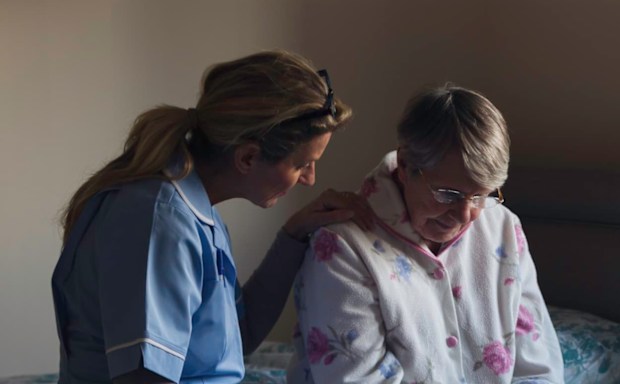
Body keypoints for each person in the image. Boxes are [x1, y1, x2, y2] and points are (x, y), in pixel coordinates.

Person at [51, 50, 373, 384]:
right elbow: (143, 377)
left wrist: (293, 236)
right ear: (248, 157)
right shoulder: (159, 221)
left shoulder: (196, 211)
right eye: (302, 164)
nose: (310, 179)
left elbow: (238, 335)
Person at [287, 84, 564, 383]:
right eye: (448, 194)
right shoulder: (342, 247)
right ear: (405, 166)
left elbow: (538, 368)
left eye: (481, 196)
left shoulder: (504, 228)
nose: (465, 215)